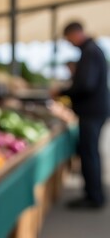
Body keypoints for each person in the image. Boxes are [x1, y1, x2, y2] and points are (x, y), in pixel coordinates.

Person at [52, 21, 109, 209]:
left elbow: (86, 85)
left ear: (75, 34)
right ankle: (94, 193)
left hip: (92, 112)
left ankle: (94, 197)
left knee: (89, 152)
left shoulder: (90, 52)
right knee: (90, 152)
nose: (69, 42)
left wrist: (63, 92)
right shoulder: (92, 50)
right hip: (96, 110)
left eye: (68, 38)